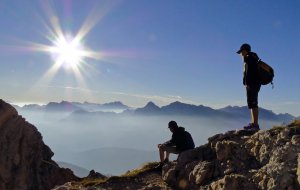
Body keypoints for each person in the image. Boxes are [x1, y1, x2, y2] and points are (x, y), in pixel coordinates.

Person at [237, 43, 261, 130]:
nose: (240, 54)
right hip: (254, 83)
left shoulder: (248, 58)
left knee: (253, 104)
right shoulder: (253, 57)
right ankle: (254, 123)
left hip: (252, 84)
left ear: (244, 50)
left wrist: (246, 83)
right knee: (252, 104)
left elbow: (247, 72)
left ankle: (255, 124)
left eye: (241, 52)